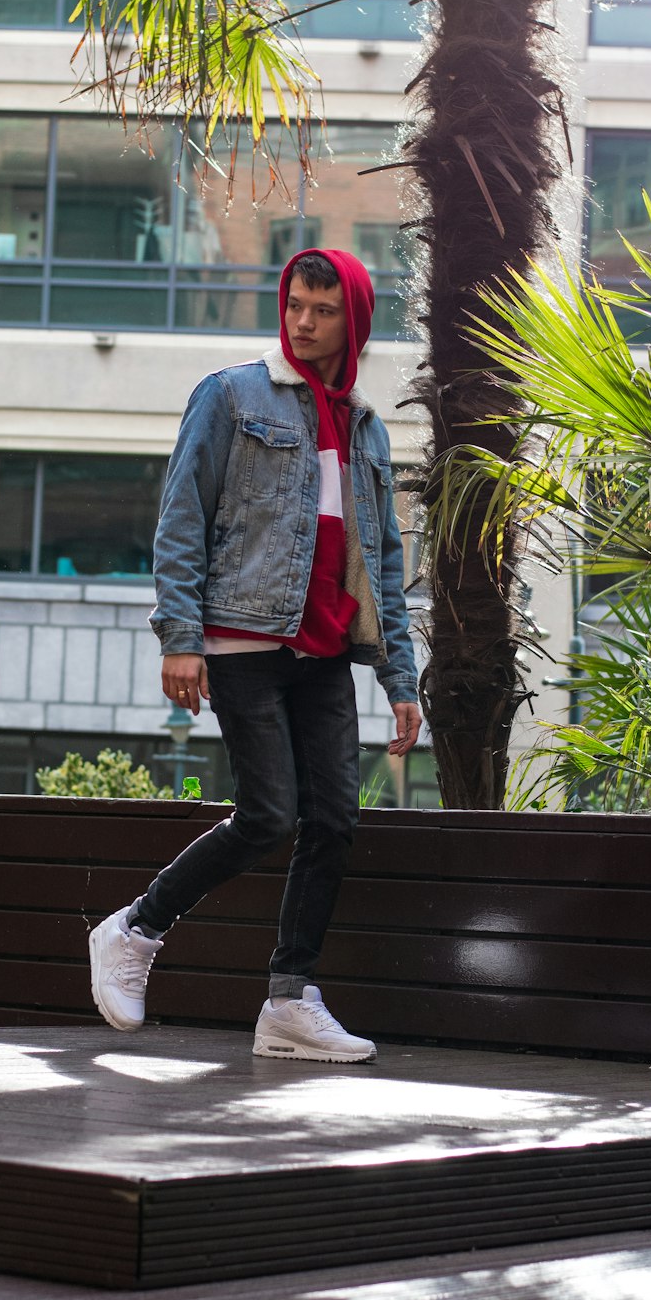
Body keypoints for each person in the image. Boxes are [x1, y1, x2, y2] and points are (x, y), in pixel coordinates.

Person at [88, 248, 421, 1062]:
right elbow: (181, 519)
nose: (303, 323)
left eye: (322, 311)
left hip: (327, 652)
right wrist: (181, 637)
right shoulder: (233, 394)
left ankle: (289, 1001)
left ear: (355, 319)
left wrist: (400, 679)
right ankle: (137, 927)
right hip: (240, 639)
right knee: (270, 814)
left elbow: (381, 562)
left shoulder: (366, 426)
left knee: (335, 821)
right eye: (295, 306)